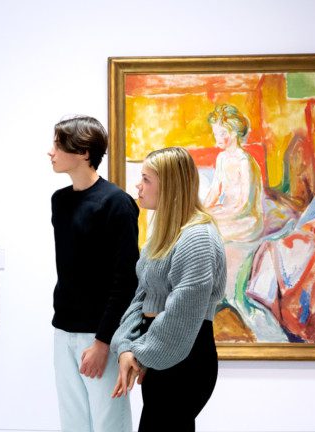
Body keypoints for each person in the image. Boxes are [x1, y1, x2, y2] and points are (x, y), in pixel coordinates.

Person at [111, 147, 227, 432]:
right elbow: (142, 296)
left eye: (146, 179)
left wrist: (138, 353)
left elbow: (182, 312)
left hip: (186, 358)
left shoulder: (197, 237)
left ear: (171, 185)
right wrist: (126, 345)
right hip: (163, 353)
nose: (138, 185)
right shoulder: (162, 237)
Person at [47, 116, 140, 432]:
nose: (51, 152)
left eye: (58, 145)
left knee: (109, 422)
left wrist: (102, 342)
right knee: (72, 423)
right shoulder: (59, 201)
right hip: (63, 330)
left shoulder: (117, 204)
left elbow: (126, 279)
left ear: (84, 152)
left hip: (101, 334)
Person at [203, 103, 264, 242]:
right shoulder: (221, 158)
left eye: (222, 133)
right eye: (216, 133)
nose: (217, 138)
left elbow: (245, 204)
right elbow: (214, 192)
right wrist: (202, 211)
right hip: (228, 212)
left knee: (208, 230)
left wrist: (218, 216)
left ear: (234, 133)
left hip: (246, 219)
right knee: (199, 224)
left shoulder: (244, 161)